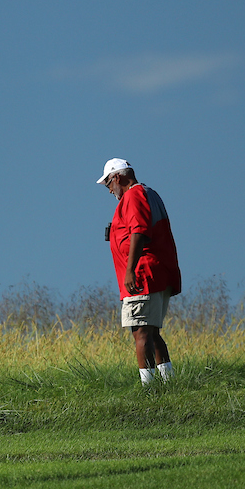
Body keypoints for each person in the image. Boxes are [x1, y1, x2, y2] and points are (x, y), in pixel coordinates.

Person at [97, 158, 182, 385]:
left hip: (143, 275)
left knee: (140, 332)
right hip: (154, 273)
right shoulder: (148, 193)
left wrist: (131, 270)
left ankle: (149, 390)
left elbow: (139, 232)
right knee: (150, 331)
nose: (109, 190)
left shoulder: (133, 196)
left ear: (117, 177)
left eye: (108, 184)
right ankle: (168, 381)